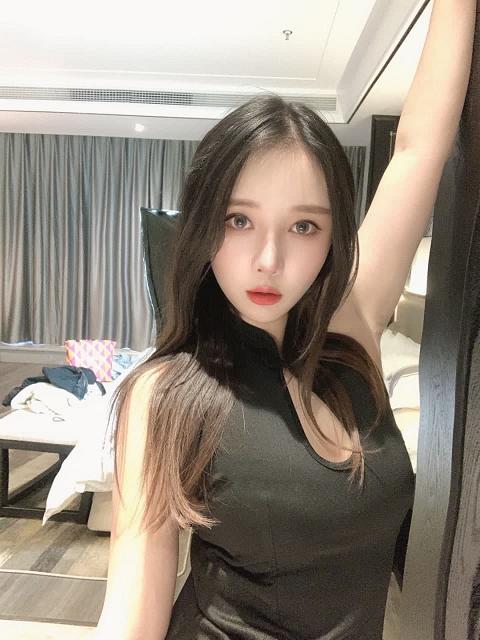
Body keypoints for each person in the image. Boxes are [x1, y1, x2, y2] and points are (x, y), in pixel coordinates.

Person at [94, 1, 476, 638]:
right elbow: (133, 614)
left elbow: (418, 150)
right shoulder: (165, 395)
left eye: (303, 226)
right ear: (204, 224)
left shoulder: (351, 331)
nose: (268, 260)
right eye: (239, 219)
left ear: (331, 240)